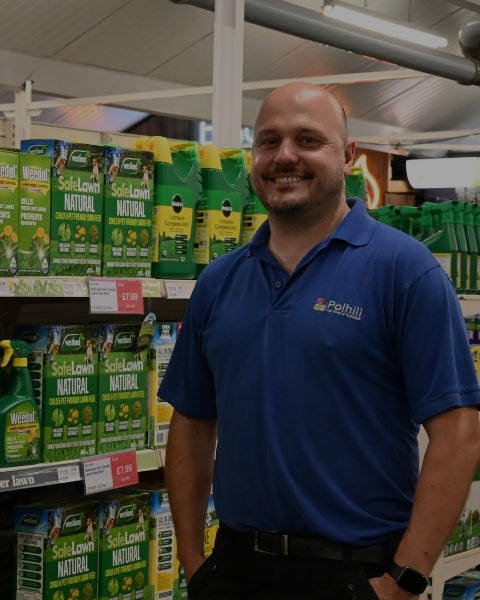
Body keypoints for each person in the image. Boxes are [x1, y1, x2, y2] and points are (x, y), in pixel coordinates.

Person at [160, 82, 480, 600]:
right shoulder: (218, 282)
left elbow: (458, 432)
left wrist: (404, 579)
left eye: (308, 140)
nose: (285, 156)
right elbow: (192, 422)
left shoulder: (404, 271)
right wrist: (194, 562)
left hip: (357, 575)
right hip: (235, 568)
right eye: (269, 141)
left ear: (348, 155)